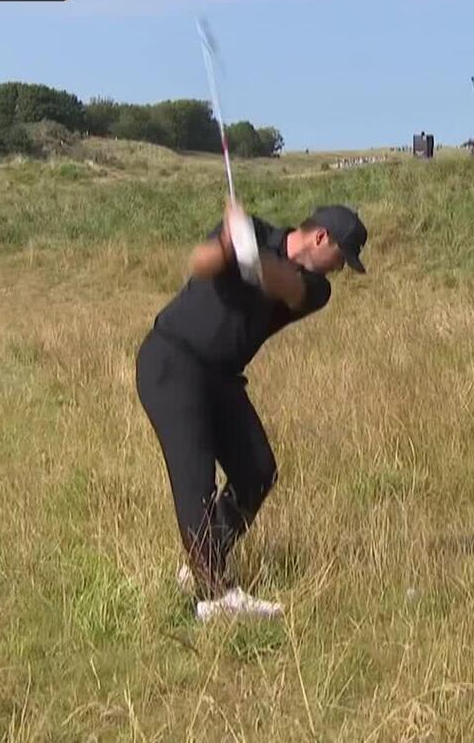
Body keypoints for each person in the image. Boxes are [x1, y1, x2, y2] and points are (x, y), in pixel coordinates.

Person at [137, 199, 368, 620]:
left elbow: (287, 287)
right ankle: (215, 594)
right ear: (321, 238)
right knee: (196, 476)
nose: (338, 269)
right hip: (173, 361)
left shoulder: (318, 289)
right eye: (340, 257)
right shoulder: (253, 232)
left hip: (222, 376)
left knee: (257, 471)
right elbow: (202, 264)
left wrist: (253, 259)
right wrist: (229, 244)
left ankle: (201, 563)